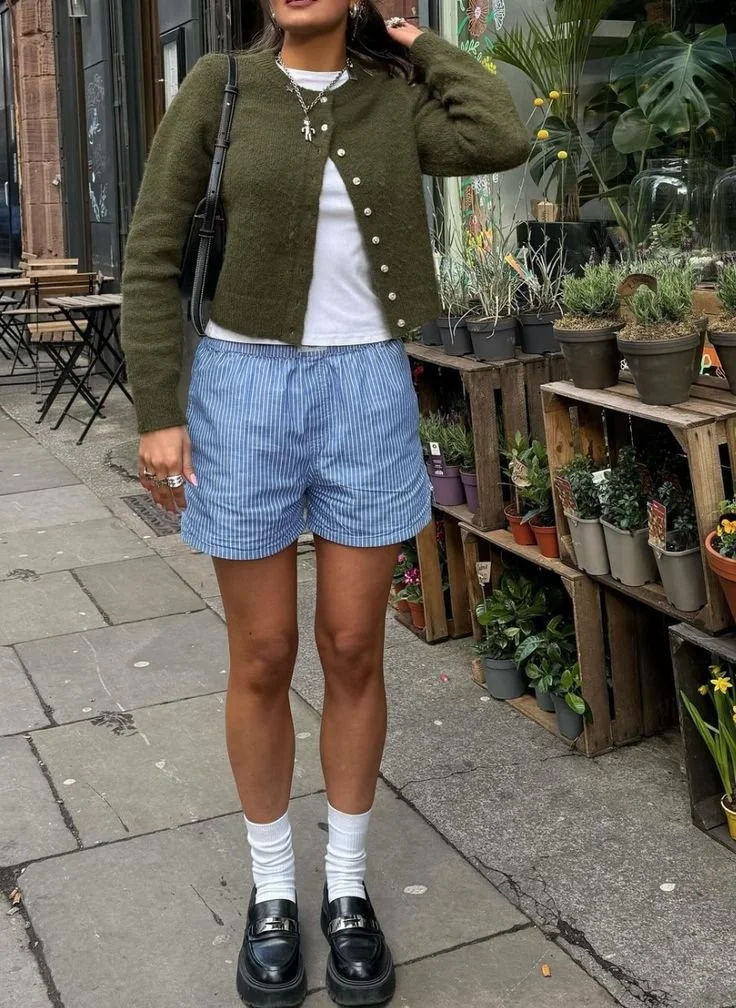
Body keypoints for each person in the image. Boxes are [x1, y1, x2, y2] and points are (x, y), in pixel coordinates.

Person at [120, 2, 528, 1004]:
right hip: (242, 389)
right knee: (262, 655)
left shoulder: (391, 99)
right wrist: (159, 409)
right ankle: (272, 890)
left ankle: (345, 887)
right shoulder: (218, 88)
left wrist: (409, 36)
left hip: (366, 388)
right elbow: (151, 251)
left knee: (353, 646)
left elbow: (501, 133)